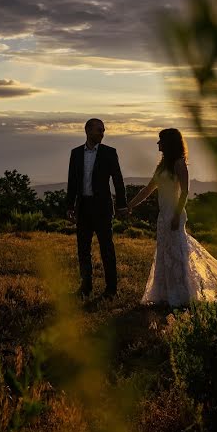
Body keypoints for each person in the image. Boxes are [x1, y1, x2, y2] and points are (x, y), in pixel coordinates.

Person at [125, 128, 217, 308]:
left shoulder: (179, 163)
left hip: (175, 214)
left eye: (160, 140)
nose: (157, 143)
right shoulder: (162, 165)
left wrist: (177, 215)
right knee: (164, 254)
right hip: (163, 216)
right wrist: (130, 205)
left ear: (169, 143)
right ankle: (164, 294)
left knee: (178, 254)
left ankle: (181, 295)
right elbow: (148, 189)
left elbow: (185, 192)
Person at [66, 118, 129, 299]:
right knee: (83, 250)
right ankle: (85, 287)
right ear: (87, 130)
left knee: (107, 249)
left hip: (102, 208)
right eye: (99, 130)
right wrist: (70, 206)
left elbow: (118, 180)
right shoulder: (76, 153)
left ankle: (111, 290)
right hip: (83, 207)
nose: (102, 133)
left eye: (103, 131)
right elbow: (72, 181)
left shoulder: (109, 153)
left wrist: (122, 205)